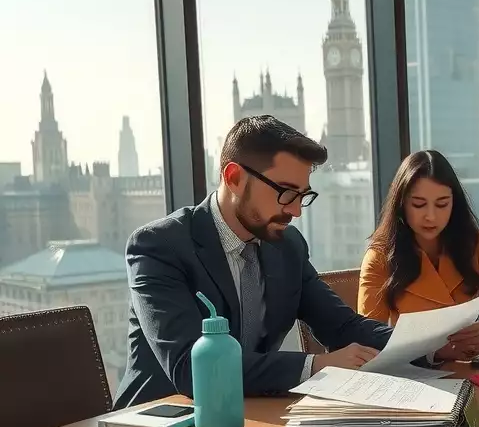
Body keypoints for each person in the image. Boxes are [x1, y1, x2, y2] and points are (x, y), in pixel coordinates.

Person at [114, 116, 393, 408]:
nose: (296, 210)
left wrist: (429, 345)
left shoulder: (288, 246)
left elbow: (343, 327)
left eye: (302, 196)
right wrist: (316, 366)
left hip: (250, 417)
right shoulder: (159, 246)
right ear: (234, 177)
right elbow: (191, 371)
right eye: (285, 193)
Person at [358, 150, 479, 361]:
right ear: (401, 203)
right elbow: (368, 338)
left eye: (442, 204)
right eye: (419, 204)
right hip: (413, 374)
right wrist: (430, 352)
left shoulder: (477, 244)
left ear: (454, 203)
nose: (431, 216)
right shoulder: (380, 255)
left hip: (472, 369)